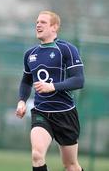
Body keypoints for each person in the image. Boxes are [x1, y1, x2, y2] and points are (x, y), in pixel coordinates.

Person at [15, 10, 84, 171]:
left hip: (65, 113)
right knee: (37, 155)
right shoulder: (30, 54)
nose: (38, 25)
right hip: (41, 112)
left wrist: (52, 86)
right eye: (37, 22)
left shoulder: (67, 49)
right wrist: (21, 101)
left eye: (43, 22)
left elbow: (79, 80)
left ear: (54, 27)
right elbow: (26, 81)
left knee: (71, 165)